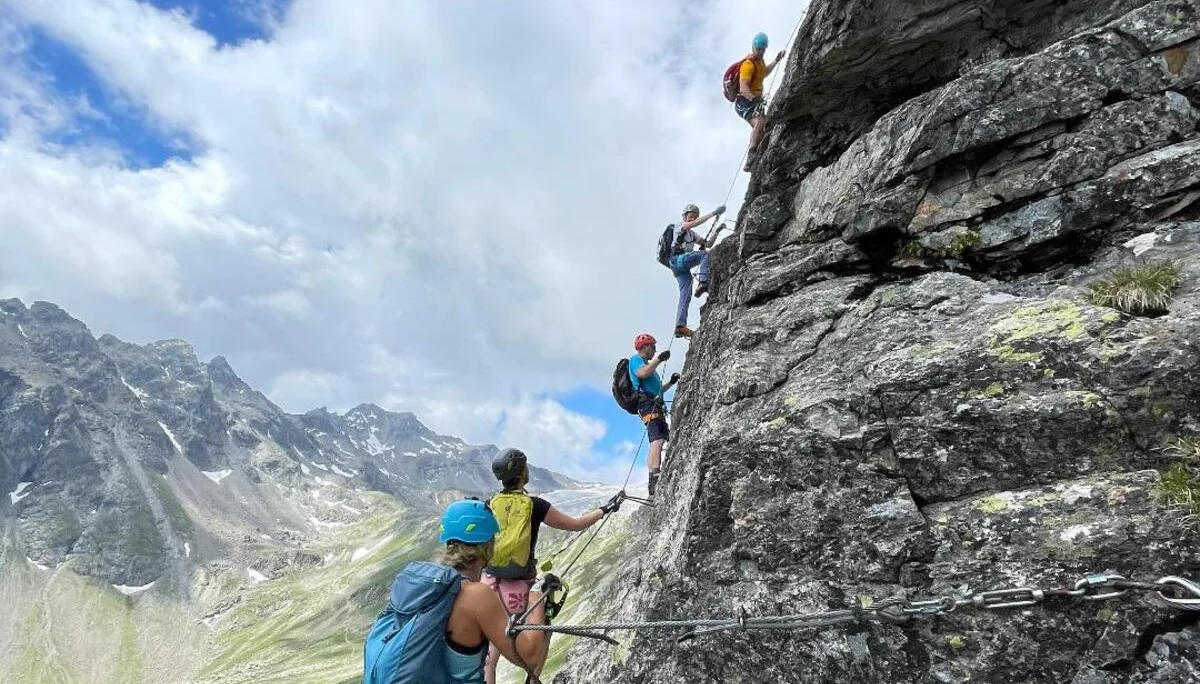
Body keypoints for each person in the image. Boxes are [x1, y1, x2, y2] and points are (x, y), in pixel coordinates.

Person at [362, 498, 554, 684]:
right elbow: (530, 658)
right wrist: (535, 598)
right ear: (488, 545)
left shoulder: (423, 584)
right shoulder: (476, 596)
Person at [482, 448, 621, 684]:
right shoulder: (535, 505)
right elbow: (575, 525)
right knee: (541, 634)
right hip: (521, 589)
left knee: (490, 658)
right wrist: (604, 510)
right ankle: (533, 679)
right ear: (523, 473)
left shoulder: (490, 504)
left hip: (490, 584)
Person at [629, 334, 679, 496]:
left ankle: (654, 475)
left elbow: (657, 390)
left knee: (659, 438)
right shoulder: (636, 360)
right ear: (646, 347)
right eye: (653, 347)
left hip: (652, 404)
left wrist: (671, 383)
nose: (655, 350)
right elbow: (642, 374)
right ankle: (654, 476)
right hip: (648, 405)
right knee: (657, 439)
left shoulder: (648, 366)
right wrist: (659, 360)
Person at [670, 203, 724, 338]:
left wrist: (717, 231)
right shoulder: (679, 226)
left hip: (680, 268)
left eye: (694, 217)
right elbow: (691, 225)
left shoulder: (692, 235)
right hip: (677, 259)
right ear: (684, 215)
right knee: (704, 255)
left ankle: (680, 326)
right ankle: (702, 282)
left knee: (685, 295)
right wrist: (713, 213)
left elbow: (708, 244)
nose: (692, 218)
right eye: (690, 216)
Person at [735, 32, 786, 171]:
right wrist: (755, 99)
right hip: (744, 102)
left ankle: (754, 163)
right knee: (759, 123)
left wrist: (776, 60)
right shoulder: (748, 65)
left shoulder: (760, 62)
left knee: (763, 129)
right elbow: (743, 88)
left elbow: (764, 73)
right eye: (759, 49)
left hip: (754, 100)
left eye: (763, 49)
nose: (761, 52)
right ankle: (751, 156)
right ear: (753, 47)